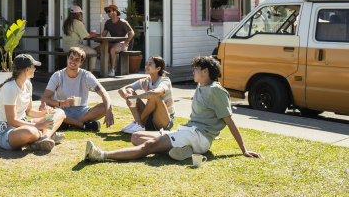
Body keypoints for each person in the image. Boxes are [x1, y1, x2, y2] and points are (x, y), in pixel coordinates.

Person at [84, 56, 263, 162]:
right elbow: (209, 117)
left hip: (197, 136)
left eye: (196, 69)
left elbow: (228, 120)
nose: (193, 72)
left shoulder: (216, 91)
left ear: (206, 71)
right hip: (189, 131)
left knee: (149, 146)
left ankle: (101, 155)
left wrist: (243, 150)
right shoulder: (202, 87)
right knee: (136, 137)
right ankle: (181, 150)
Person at [0, 54, 66, 152]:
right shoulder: (10, 88)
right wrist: (38, 126)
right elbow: (12, 121)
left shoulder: (28, 84)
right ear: (27, 69)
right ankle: (44, 135)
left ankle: (44, 138)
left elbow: (29, 111)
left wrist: (45, 113)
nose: (35, 69)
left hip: (25, 124)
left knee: (59, 112)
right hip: (7, 131)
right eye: (33, 66)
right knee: (30, 131)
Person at [41, 46, 114, 131]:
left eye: (77, 59)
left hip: (82, 112)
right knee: (43, 107)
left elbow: (104, 93)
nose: (73, 61)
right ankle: (80, 124)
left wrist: (109, 110)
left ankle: (68, 124)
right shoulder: (58, 75)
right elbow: (45, 99)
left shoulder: (87, 75)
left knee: (104, 106)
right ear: (67, 58)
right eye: (71, 58)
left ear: (81, 62)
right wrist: (63, 103)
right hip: (61, 110)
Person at [118, 56, 174, 134]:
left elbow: (155, 93)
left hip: (164, 120)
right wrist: (128, 97)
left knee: (154, 96)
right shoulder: (146, 81)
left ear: (158, 69)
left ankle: (138, 122)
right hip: (149, 118)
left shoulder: (165, 81)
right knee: (129, 91)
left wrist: (135, 97)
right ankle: (139, 124)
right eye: (146, 64)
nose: (146, 66)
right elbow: (122, 89)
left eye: (150, 64)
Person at [98, 4, 134, 77]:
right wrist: (93, 35)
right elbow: (103, 35)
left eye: (109, 11)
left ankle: (112, 69)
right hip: (112, 42)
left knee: (112, 49)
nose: (107, 13)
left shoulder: (123, 22)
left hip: (122, 44)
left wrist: (125, 43)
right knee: (98, 49)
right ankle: (104, 68)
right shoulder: (108, 23)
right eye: (107, 12)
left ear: (115, 12)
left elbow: (132, 33)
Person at [62, 6, 98, 73]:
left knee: (83, 54)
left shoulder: (66, 23)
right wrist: (93, 34)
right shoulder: (77, 22)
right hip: (74, 46)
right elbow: (87, 36)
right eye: (81, 13)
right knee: (93, 53)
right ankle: (90, 73)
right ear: (78, 14)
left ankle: (80, 72)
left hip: (65, 47)